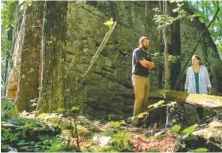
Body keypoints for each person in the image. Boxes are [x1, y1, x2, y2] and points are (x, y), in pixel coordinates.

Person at [131, 36, 155, 117]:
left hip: (146, 78)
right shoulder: (137, 51)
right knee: (139, 98)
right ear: (141, 43)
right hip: (138, 77)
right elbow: (143, 64)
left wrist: (147, 62)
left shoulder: (147, 54)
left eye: (148, 43)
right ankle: (135, 120)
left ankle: (143, 120)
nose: (147, 44)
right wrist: (147, 63)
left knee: (145, 100)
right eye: (146, 42)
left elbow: (152, 66)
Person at [184, 55, 212, 119]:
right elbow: (187, 81)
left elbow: (207, 80)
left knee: (200, 107)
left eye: (194, 59)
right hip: (191, 92)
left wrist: (209, 90)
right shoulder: (189, 69)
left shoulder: (204, 68)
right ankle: (194, 121)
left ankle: (200, 120)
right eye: (192, 59)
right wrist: (185, 91)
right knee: (192, 107)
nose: (192, 61)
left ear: (198, 60)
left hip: (202, 91)